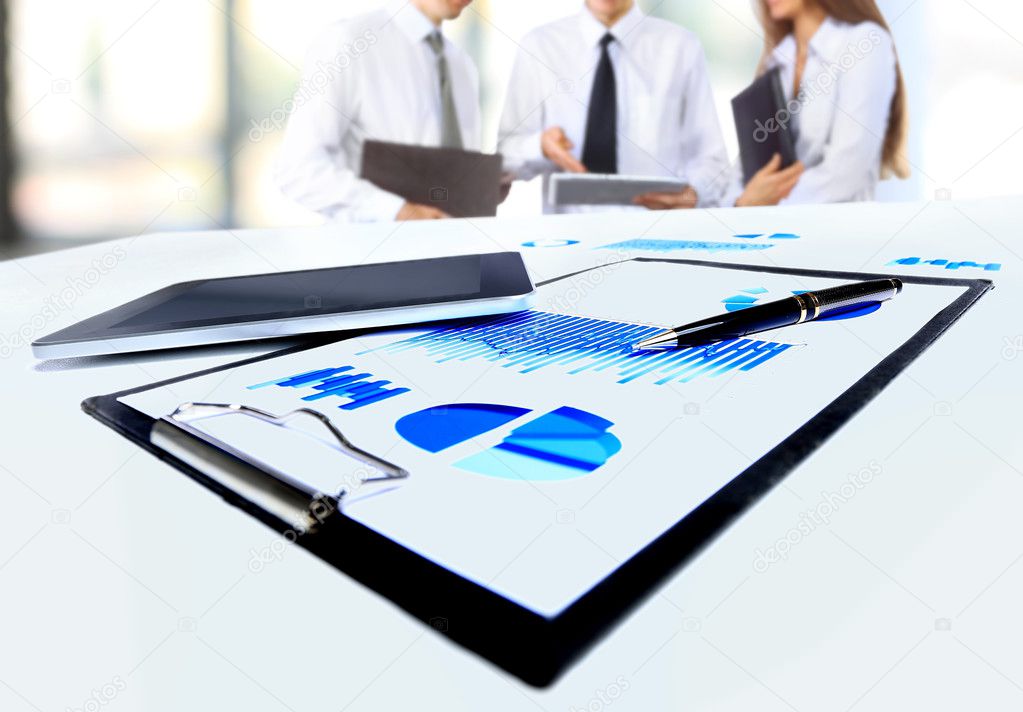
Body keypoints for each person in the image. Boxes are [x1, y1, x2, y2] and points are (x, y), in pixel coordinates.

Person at [497, 0, 730, 213]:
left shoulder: (681, 46)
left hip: (659, 237)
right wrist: (540, 146)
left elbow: (712, 162)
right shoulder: (539, 46)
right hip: (566, 240)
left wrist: (692, 195)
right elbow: (502, 159)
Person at [275, 0, 478, 222]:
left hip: (456, 245)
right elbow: (298, 170)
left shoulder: (462, 64)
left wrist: (483, 183)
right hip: (370, 249)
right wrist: (398, 211)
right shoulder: (350, 41)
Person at [731, 0, 909, 207]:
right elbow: (743, 173)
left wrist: (761, 203)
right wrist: (742, 203)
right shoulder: (776, 61)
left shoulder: (864, 42)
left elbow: (847, 172)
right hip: (771, 230)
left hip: (836, 230)